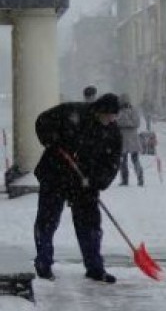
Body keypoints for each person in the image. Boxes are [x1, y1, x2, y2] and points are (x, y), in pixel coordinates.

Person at [33, 93, 122, 284]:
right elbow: (42, 121)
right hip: (55, 175)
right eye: (108, 116)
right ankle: (43, 265)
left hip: (85, 184)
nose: (111, 120)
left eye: (114, 117)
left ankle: (95, 268)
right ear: (99, 110)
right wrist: (51, 140)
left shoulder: (113, 133)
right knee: (47, 221)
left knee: (90, 225)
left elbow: (112, 163)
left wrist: (97, 181)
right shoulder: (72, 112)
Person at [117, 94, 144, 186]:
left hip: (125, 139)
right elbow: (136, 122)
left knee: (124, 160)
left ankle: (126, 180)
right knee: (133, 160)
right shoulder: (133, 111)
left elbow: (118, 122)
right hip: (131, 139)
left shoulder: (120, 112)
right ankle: (139, 178)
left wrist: (125, 122)